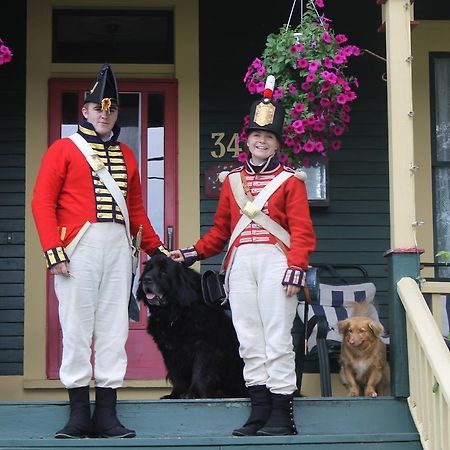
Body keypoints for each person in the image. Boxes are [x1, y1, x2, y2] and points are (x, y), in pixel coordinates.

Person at [170, 76, 316, 436]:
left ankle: (283, 414)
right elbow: (221, 232)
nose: (261, 140)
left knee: (278, 337)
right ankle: (260, 410)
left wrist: (297, 266)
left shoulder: (291, 180)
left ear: (277, 143)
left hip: (276, 260)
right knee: (249, 338)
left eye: (268, 136)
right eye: (255, 135)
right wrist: (191, 253)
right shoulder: (232, 180)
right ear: (247, 139)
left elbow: (302, 231)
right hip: (239, 263)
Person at [32, 64, 167, 439]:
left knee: (113, 328)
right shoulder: (63, 150)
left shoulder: (126, 154)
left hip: (118, 248)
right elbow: (42, 202)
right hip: (78, 247)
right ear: (86, 111)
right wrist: (53, 250)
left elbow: (136, 210)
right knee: (76, 327)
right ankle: (78, 415)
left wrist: (157, 250)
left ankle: (107, 413)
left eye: (111, 109)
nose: (105, 114)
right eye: (98, 108)